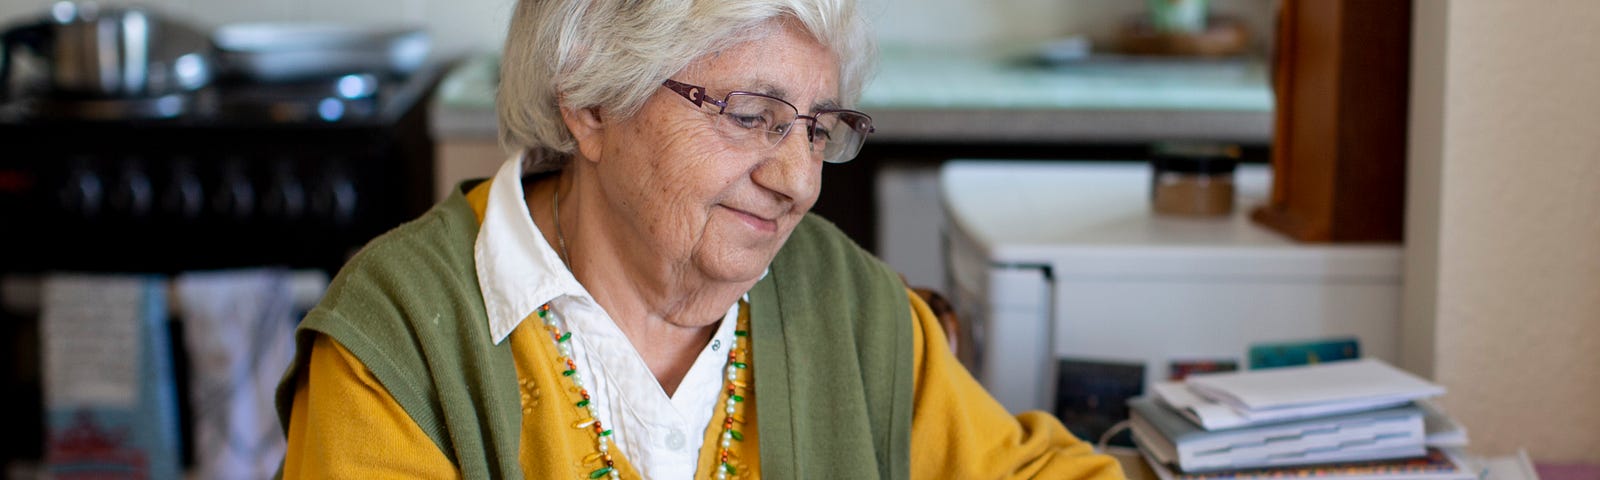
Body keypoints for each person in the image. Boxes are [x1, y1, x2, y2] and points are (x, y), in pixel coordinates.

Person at [276, 0, 1128, 478]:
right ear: (592, 105)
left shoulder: (846, 302)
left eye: (817, 128)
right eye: (752, 117)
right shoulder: (401, 338)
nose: (798, 181)